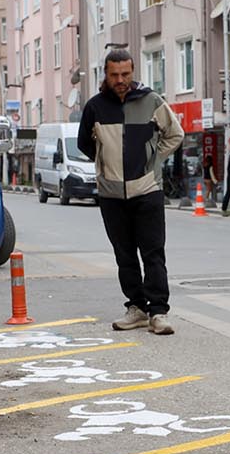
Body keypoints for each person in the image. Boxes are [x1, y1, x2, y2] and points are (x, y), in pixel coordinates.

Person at [78, 49, 184, 335]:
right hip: (111, 195)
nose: (120, 80)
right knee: (124, 255)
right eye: (114, 75)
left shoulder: (151, 101)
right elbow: (84, 144)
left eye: (125, 74)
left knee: (153, 253)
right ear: (106, 74)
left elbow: (175, 134)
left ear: (133, 71)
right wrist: (106, 164)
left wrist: (153, 159)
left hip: (147, 189)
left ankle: (158, 312)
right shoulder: (94, 107)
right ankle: (136, 308)